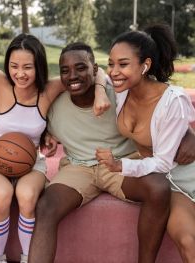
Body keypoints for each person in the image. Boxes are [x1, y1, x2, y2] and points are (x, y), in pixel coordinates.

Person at [0, 33, 110, 263]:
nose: (20, 73)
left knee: (27, 197)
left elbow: (98, 71)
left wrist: (99, 92)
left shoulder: (49, 89)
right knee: (2, 194)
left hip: (31, 162)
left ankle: (29, 257)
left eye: (27, 67)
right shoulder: (0, 81)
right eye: (14, 66)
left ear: (38, 66)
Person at [28, 42, 194, 263]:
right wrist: (45, 135)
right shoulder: (54, 104)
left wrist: (189, 134)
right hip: (79, 167)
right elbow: (26, 122)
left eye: (80, 68)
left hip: (121, 164)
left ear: (95, 70)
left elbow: (161, 110)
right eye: (65, 70)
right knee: (46, 207)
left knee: (157, 186)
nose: (72, 75)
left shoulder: (119, 93)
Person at [96, 24, 195, 263]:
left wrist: (121, 166)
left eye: (123, 64)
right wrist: (100, 90)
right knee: (188, 241)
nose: (114, 71)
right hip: (170, 185)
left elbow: (162, 162)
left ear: (145, 65)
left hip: (185, 174)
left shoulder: (172, 101)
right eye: (111, 63)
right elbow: (95, 71)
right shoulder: (122, 90)